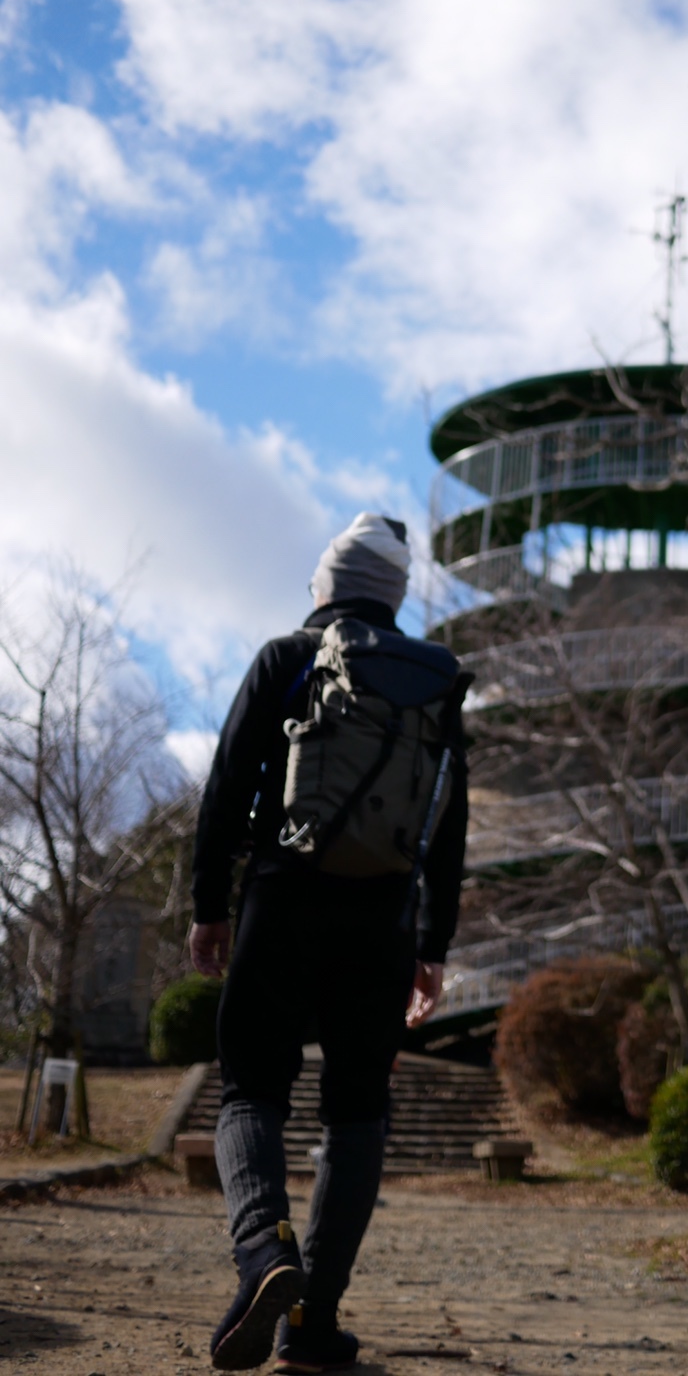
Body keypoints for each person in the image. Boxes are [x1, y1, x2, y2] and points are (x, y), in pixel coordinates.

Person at [188, 513, 469, 1374]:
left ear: (327, 586)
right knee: (357, 1112)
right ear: (395, 596)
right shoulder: (435, 682)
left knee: (251, 1089)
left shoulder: (288, 657)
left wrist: (209, 903)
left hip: (283, 894)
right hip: (383, 915)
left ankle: (265, 1255)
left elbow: (228, 783)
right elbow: (447, 821)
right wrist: (433, 946)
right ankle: (311, 1322)